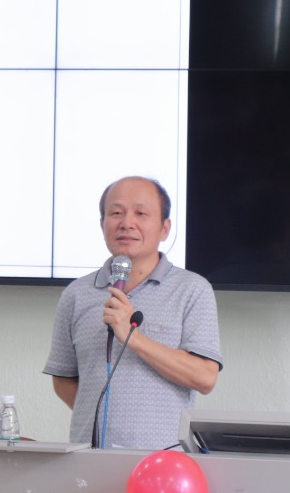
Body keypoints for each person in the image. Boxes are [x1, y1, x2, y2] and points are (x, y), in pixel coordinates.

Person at [44, 176, 222, 450]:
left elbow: (204, 377)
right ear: (102, 224)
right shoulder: (77, 294)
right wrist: (108, 420)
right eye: (116, 213)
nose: (127, 223)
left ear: (165, 228)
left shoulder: (192, 290)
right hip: (90, 458)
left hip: (163, 459)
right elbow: (63, 379)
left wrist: (132, 336)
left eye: (140, 213)